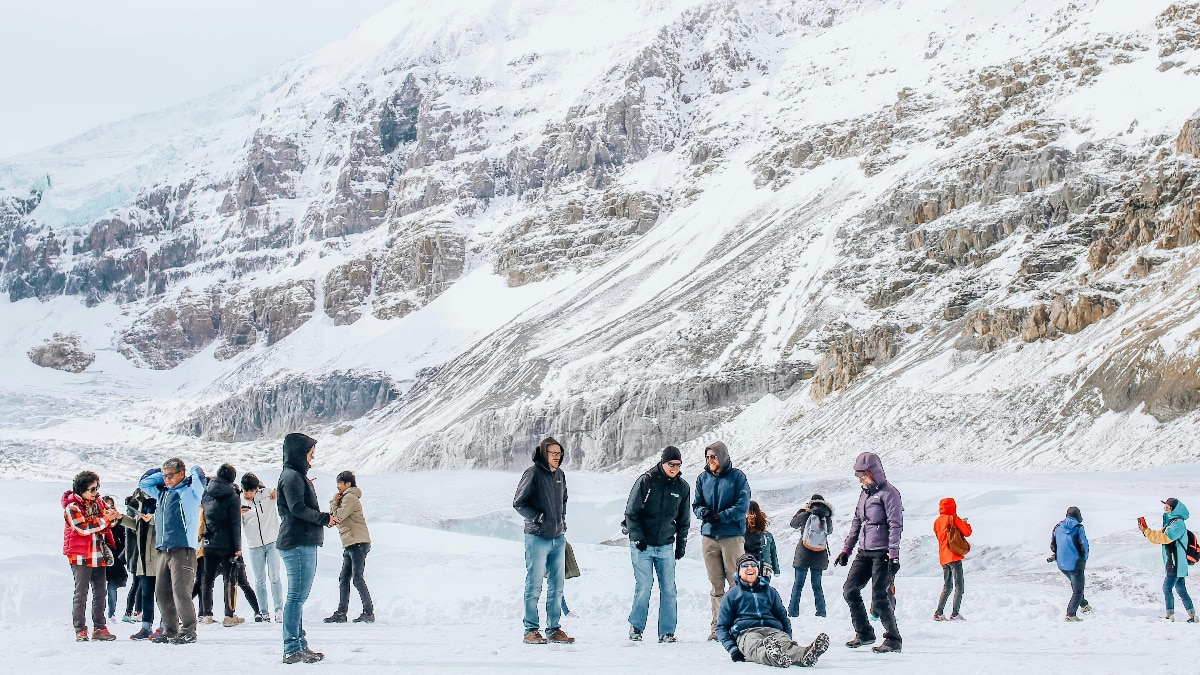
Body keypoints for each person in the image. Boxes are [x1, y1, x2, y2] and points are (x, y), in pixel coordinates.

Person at [277, 433, 339, 664]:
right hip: (297, 541)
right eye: (310, 451)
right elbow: (297, 508)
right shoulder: (292, 476)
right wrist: (324, 519)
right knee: (296, 597)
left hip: (300, 540)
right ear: (299, 452)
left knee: (298, 597)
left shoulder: (295, 475)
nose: (313, 456)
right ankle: (292, 647)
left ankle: (299, 644)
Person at [834, 451, 904, 653]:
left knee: (880, 597)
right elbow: (857, 521)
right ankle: (864, 632)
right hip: (864, 552)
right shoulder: (864, 493)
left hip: (882, 553)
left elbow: (895, 525)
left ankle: (893, 639)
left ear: (873, 472)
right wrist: (847, 549)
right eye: (858, 476)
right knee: (850, 590)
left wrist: (893, 555)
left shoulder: (890, 493)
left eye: (862, 475)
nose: (860, 480)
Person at [623, 446, 691, 643]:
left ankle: (667, 632)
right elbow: (631, 513)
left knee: (669, 588)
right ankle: (636, 628)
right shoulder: (647, 481)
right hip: (642, 545)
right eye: (671, 464)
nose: (675, 468)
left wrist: (681, 544)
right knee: (644, 585)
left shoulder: (683, 488)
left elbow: (683, 521)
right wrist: (637, 537)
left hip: (665, 546)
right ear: (663, 463)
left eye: (678, 465)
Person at [716, 554, 830, 668]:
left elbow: (783, 617)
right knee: (755, 646)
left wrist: (787, 637)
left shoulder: (770, 592)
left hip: (773, 630)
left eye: (753, 565)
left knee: (785, 645)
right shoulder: (731, 595)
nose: (750, 568)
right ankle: (774, 657)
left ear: (758, 570)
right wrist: (733, 649)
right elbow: (721, 627)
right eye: (745, 566)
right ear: (739, 572)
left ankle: (805, 655)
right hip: (747, 632)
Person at [513, 437, 575, 645]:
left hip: (557, 537)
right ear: (543, 453)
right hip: (537, 537)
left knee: (557, 586)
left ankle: (554, 629)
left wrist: (561, 525)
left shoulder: (560, 475)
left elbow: (563, 501)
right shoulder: (533, 473)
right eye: (553, 453)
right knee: (534, 585)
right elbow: (519, 502)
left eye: (559, 453)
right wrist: (539, 518)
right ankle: (530, 630)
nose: (557, 457)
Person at [139, 458, 207, 644]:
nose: (167, 479)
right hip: (164, 548)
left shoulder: (190, 492)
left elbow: (200, 477)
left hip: (183, 548)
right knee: (162, 591)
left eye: (170, 475)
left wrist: (190, 468)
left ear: (181, 474)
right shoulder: (162, 493)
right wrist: (161, 475)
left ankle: (188, 631)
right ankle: (170, 629)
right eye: (165, 476)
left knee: (180, 590)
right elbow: (143, 483)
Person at [692, 440, 751, 640]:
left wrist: (720, 517)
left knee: (736, 582)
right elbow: (696, 504)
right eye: (707, 457)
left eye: (713, 457)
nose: (710, 460)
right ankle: (717, 628)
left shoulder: (737, 477)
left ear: (722, 457)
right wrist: (704, 513)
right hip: (709, 537)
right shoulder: (702, 478)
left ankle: (738, 627)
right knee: (716, 585)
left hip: (732, 537)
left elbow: (742, 506)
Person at [63, 470, 122, 641]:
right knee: (81, 592)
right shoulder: (72, 507)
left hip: (98, 554)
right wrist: (105, 519)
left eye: (97, 488)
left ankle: (100, 627)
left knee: (100, 592)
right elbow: (83, 528)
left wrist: (113, 516)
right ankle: (80, 629)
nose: (96, 492)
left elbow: (112, 517)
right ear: (81, 490)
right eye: (92, 489)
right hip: (80, 555)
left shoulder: (98, 503)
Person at [199, 463, 259, 627]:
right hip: (227, 544)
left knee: (207, 578)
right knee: (230, 579)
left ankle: (206, 614)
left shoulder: (206, 492)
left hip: (209, 541)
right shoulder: (232, 496)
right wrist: (237, 548)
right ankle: (229, 615)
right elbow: (235, 524)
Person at [325, 470, 374, 624]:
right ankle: (341, 613)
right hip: (351, 543)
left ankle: (368, 612)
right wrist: (335, 503)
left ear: (348, 484)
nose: (338, 486)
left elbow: (338, 517)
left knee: (357, 578)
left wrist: (334, 501)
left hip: (357, 542)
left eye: (340, 483)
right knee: (344, 578)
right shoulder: (346, 498)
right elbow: (335, 517)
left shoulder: (350, 497)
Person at [1140, 498, 1196, 622]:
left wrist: (1147, 532)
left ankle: (1170, 615)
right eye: (1164, 506)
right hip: (1176, 562)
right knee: (1181, 589)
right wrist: (1146, 532)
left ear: (1173, 509)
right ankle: (1192, 615)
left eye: (1167, 506)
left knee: (1167, 588)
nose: (1165, 508)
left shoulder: (1177, 524)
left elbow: (1165, 538)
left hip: (1175, 563)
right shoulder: (1171, 523)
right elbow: (1158, 537)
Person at [119, 484, 161, 640]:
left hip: (159, 557)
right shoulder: (140, 501)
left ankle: (165, 625)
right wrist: (119, 518)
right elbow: (136, 524)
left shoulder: (165, 498)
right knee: (146, 594)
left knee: (162, 595)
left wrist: (152, 519)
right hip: (142, 557)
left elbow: (169, 521)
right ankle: (145, 627)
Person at [241, 472, 283, 622]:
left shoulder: (267, 495)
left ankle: (279, 610)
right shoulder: (239, 502)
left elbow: (283, 491)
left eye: (250, 491)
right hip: (254, 545)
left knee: (275, 576)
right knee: (259, 580)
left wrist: (276, 492)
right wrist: (236, 512)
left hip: (272, 542)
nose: (247, 494)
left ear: (256, 489)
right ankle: (263, 612)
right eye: (245, 491)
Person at [788, 494, 833, 618]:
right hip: (819, 554)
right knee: (817, 585)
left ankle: (793, 612)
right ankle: (821, 612)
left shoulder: (806, 514)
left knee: (798, 584)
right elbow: (829, 531)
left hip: (804, 553)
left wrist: (803, 510)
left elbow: (793, 523)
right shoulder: (827, 516)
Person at [1049, 506, 1091, 621]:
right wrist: (1084, 560)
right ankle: (1070, 614)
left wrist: (1058, 556)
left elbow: (1053, 544)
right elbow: (1084, 545)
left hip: (1062, 564)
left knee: (1075, 584)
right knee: (1078, 590)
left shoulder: (1058, 527)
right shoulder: (1078, 528)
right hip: (1075, 564)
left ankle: (1084, 605)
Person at [933, 497, 972, 621]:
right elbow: (967, 532)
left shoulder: (937, 521)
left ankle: (938, 613)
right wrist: (964, 523)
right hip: (954, 556)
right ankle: (955, 614)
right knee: (959, 586)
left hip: (944, 557)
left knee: (947, 586)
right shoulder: (953, 518)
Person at [102, 496, 130, 621]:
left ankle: (110, 613)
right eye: (107, 505)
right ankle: (105, 613)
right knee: (102, 587)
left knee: (112, 586)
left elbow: (126, 541)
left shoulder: (119, 523)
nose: (110, 508)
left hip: (116, 559)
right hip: (103, 558)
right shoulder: (100, 523)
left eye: (111, 505)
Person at [744, 500, 780, 580]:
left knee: (749, 590)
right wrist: (776, 570)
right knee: (763, 590)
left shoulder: (742, 531)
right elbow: (773, 553)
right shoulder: (767, 535)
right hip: (766, 567)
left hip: (748, 567)